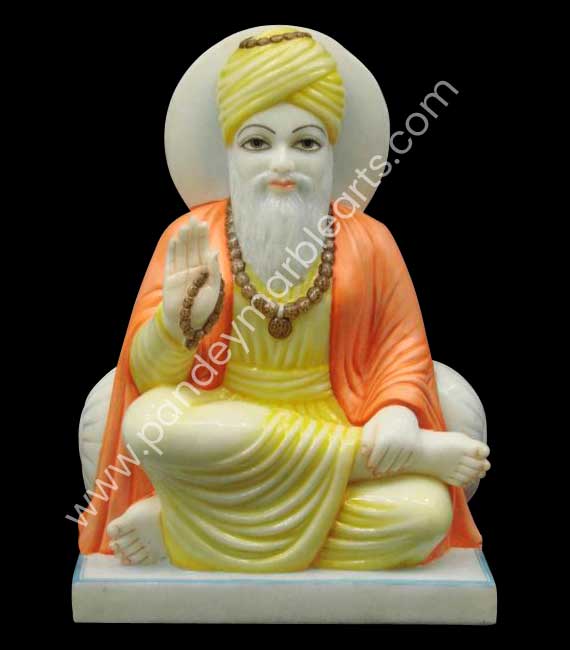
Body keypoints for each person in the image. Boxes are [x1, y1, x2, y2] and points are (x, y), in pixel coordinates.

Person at [78, 27, 489, 572]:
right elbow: (149, 379)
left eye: (306, 144)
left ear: (332, 153)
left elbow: (402, 352)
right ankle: (360, 468)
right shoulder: (193, 236)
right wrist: (177, 327)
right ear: (228, 151)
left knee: (421, 516)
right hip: (224, 426)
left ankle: (178, 525)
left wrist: (395, 413)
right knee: (148, 421)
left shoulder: (369, 242)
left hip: (340, 418)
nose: (281, 164)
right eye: (257, 143)